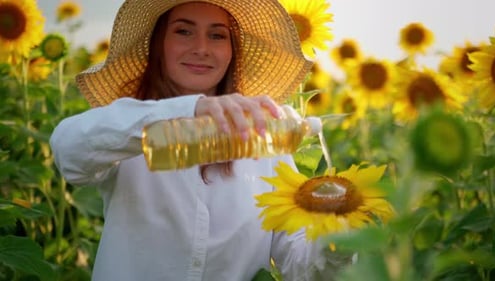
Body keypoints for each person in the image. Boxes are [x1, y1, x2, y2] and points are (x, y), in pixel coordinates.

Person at [50, 0, 349, 280]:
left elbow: (296, 261)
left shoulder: (263, 140)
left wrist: (337, 239)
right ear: (159, 45)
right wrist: (186, 111)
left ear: (233, 51)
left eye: (218, 36)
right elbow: (69, 151)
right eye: (184, 31)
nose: (201, 48)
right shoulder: (130, 130)